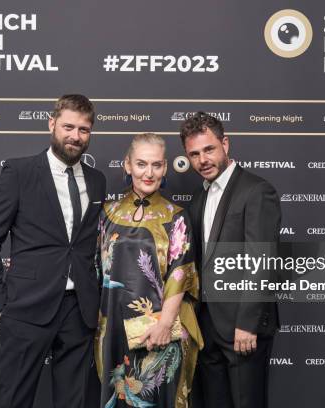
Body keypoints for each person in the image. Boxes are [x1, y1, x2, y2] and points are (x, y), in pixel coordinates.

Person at [0, 94, 106, 408]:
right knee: (15, 400)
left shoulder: (97, 180)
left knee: (73, 402)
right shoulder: (18, 173)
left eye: (84, 130)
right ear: (52, 124)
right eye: (69, 127)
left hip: (80, 310)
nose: (75, 136)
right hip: (26, 308)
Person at [94, 133, 202, 408]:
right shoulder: (108, 213)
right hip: (114, 328)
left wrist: (164, 325)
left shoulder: (176, 215)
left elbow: (180, 275)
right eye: (141, 164)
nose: (149, 173)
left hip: (159, 331)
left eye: (156, 165)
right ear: (127, 165)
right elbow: (95, 268)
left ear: (165, 168)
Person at [180, 112, 281, 408]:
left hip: (242, 327)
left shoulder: (256, 190)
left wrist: (247, 324)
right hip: (207, 328)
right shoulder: (199, 199)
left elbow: (261, 260)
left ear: (225, 144)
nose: (202, 160)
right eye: (194, 154)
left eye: (209, 149)